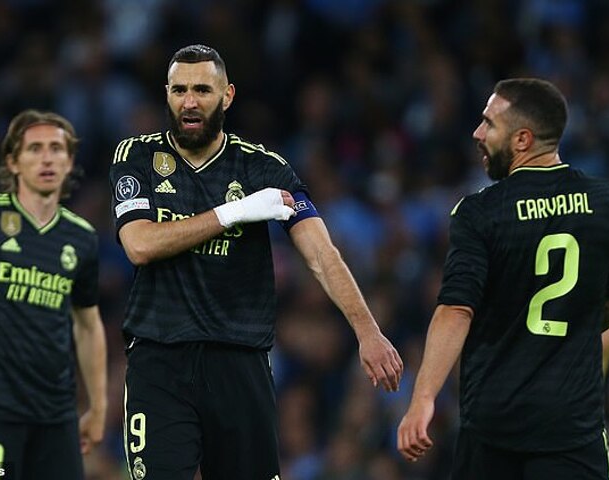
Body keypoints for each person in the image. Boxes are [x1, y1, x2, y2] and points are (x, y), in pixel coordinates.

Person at [109, 44, 403, 480]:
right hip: (160, 361)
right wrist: (233, 213)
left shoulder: (263, 168)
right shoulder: (137, 156)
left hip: (240, 363)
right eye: (179, 90)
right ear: (166, 94)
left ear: (227, 96)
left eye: (202, 90)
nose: (189, 102)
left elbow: (321, 253)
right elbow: (139, 244)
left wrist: (368, 331)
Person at [397, 78, 609, 479]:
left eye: (489, 124)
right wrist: (575, 326)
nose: (477, 133)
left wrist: (423, 397)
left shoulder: (480, 213)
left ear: (522, 140)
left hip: (493, 431)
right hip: (572, 429)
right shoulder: (608, 206)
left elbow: (455, 310)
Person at [0, 109, 108, 479]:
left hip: (57, 411)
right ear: (13, 162)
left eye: (56, 149)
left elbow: (88, 324)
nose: (47, 159)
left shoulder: (82, 237)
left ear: (70, 161)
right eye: (35, 149)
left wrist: (98, 405)